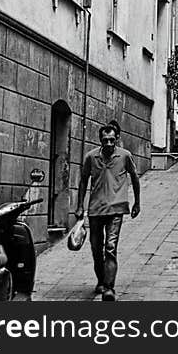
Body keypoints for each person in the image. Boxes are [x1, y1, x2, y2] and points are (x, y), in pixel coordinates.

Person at [75, 122, 141, 301]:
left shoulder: (125, 156)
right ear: (100, 140)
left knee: (110, 248)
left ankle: (109, 288)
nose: (109, 144)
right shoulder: (91, 157)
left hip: (116, 209)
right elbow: (83, 181)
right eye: (106, 140)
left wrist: (137, 203)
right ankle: (101, 281)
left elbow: (134, 178)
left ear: (117, 139)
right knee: (96, 249)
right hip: (95, 210)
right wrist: (80, 205)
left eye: (112, 140)